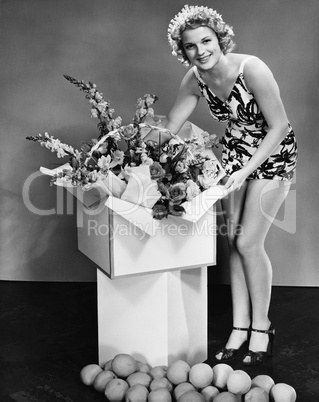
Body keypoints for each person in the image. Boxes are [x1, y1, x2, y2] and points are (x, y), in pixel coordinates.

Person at [146, 5, 297, 365]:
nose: (200, 51)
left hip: (271, 155)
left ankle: (262, 326)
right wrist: (135, 135)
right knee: (232, 238)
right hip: (233, 155)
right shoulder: (194, 78)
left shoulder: (252, 69)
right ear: (181, 51)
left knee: (249, 241)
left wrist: (246, 172)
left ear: (220, 38)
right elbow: (170, 124)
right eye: (190, 46)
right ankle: (239, 326)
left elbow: (279, 126)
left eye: (206, 41)